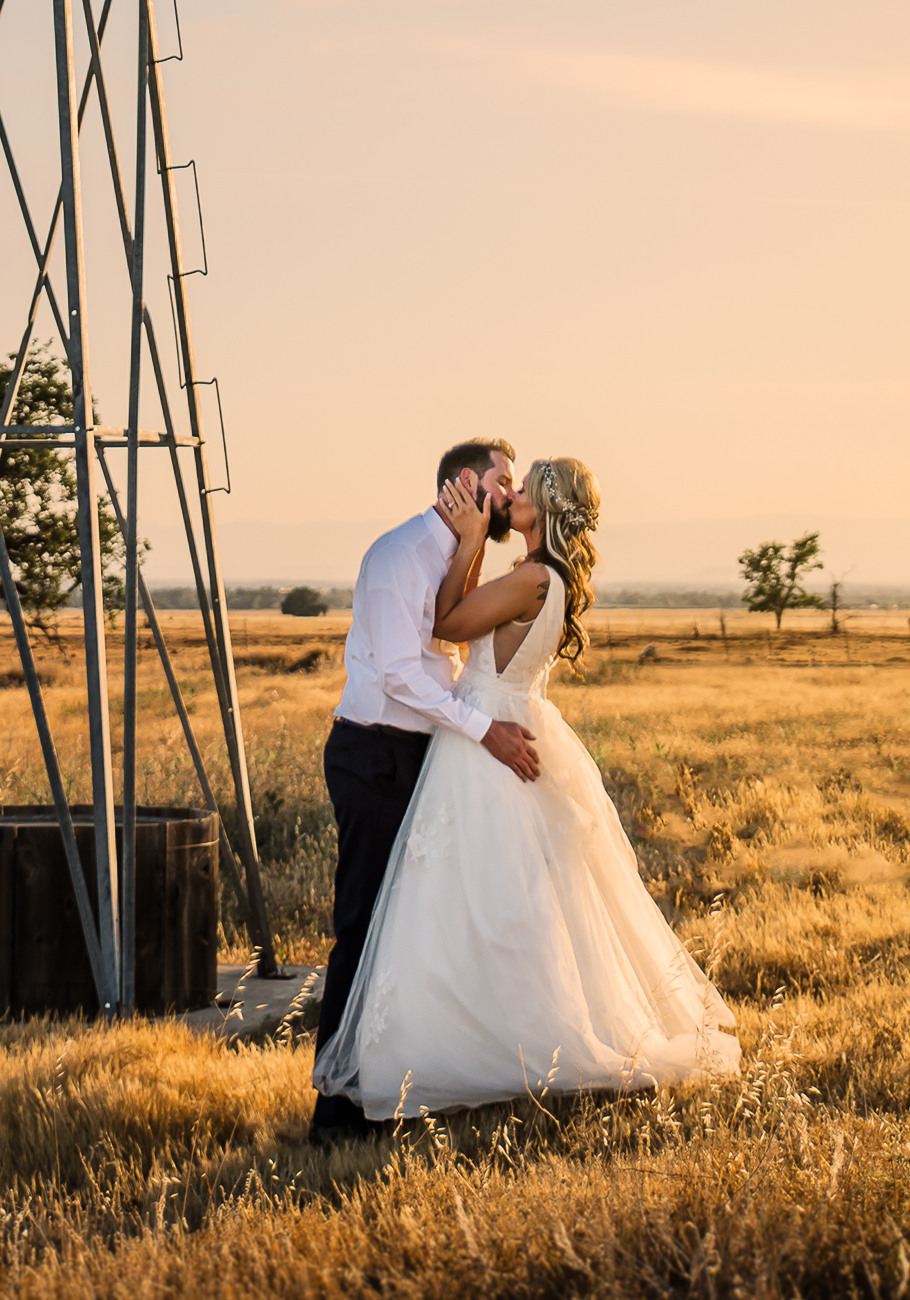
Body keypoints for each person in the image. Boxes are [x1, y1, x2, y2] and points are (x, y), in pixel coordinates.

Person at [313, 456, 740, 1121]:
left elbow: (447, 624)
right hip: (495, 725)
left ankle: (465, 1051)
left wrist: (470, 543)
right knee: (494, 902)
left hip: (487, 738)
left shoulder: (532, 577)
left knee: (471, 904)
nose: (511, 493)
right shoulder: (546, 575)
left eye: (524, 484)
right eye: (507, 483)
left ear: (543, 505)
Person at [311, 440, 544, 1144]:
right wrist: (485, 730)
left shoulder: (452, 558)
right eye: (504, 481)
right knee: (362, 928)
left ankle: (392, 1087)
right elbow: (399, 676)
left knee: (410, 927)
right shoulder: (399, 555)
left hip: (418, 754)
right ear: (468, 483)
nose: (511, 494)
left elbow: (449, 641)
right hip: (375, 754)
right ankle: (335, 1111)